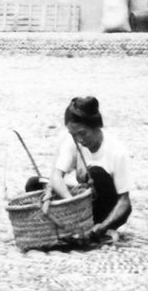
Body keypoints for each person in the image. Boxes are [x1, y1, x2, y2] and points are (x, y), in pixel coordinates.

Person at [27, 96, 131, 241]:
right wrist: (72, 204)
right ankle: (73, 224)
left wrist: (105, 225)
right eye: (73, 134)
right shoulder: (73, 141)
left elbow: (124, 201)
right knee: (34, 183)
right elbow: (56, 177)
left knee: (96, 173)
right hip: (82, 204)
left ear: (96, 126)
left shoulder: (117, 151)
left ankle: (93, 228)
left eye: (82, 133)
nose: (79, 140)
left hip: (105, 207)